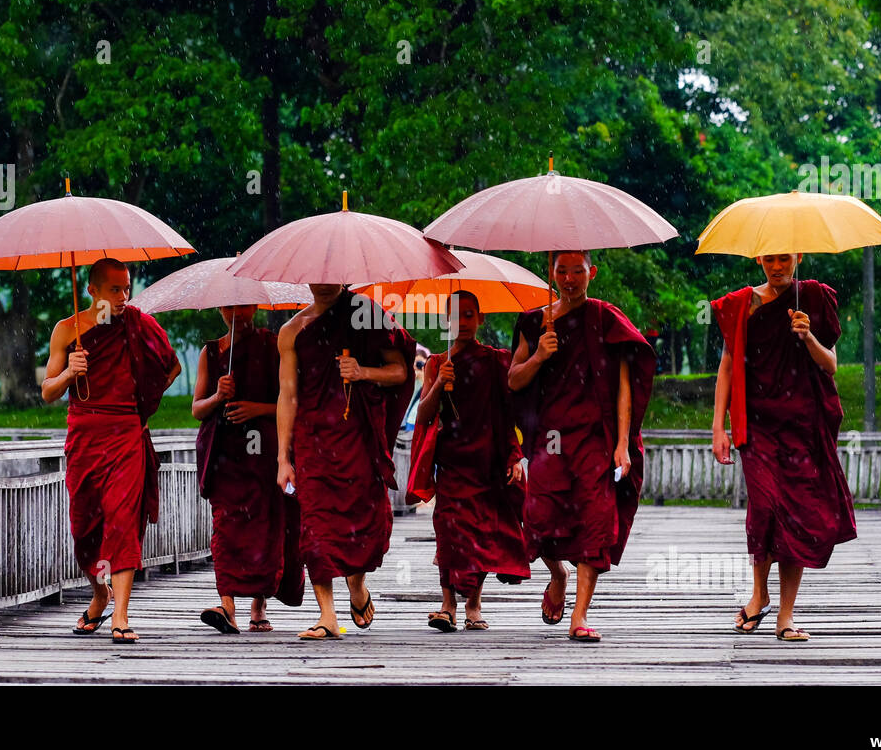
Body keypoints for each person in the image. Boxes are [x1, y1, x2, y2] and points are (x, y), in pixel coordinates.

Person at [508, 251, 655, 642]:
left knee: (596, 518)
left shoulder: (606, 319)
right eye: (561, 270)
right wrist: (540, 354)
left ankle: (580, 613)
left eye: (577, 271)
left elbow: (624, 387)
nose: (570, 279)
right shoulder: (534, 321)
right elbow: (514, 381)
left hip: (595, 437)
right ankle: (558, 573)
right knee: (538, 516)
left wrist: (623, 444)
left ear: (592, 272)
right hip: (552, 437)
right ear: (551, 273)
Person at [711, 253, 856, 642]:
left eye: (785, 259)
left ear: (799, 257)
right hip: (757, 426)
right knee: (765, 507)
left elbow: (830, 365)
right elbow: (727, 365)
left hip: (803, 426)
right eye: (770, 260)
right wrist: (718, 427)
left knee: (794, 516)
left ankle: (786, 616)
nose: (778, 267)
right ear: (759, 259)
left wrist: (808, 336)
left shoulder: (813, 297)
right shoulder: (741, 304)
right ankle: (760, 592)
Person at [41, 258, 180, 644]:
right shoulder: (67, 330)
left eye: (126, 288)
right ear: (93, 291)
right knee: (85, 528)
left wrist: (143, 407)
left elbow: (172, 368)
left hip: (126, 435)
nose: (123, 297)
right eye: (114, 290)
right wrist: (69, 372)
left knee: (122, 520)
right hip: (85, 436)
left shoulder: (137, 323)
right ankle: (100, 593)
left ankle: (121, 614)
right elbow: (48, 391)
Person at [276, 285, 414, 640]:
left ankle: (357, 585)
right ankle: (327, 614)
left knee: (363, 522)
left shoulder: (364, 313)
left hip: (359, 437)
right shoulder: (292, 330)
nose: (323, 281)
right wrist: (282, 457)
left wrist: (363, 372)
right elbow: (287, 395)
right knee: (315, 526)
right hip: (313, 441)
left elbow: (399, 371)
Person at [408, 290, 528, 632]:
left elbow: (507, 414)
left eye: (469, 315)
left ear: (481, 319)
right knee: (448, 530)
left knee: (480, 533)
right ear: (446, 321)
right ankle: (447, 604)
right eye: (455, 315)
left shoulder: (494, 361)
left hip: (487, 461)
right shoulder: (435, 363)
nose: (462, 322)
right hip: (452, 461)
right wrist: (438, 385)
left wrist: (514, 455)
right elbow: (425, 416)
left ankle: (473, 604)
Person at [193, 304, 303, 634]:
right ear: (219, 308)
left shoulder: (273, 345)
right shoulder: (210, 352)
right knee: (226, 526)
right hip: (225, 454)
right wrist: (217, 397)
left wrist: (256, 408)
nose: (237, 313)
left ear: (255, 306)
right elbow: (197, 409)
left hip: (265, 450)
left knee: (267, 525)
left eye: (243, 306)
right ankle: (227, 605)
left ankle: (258, 605)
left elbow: (293, 399)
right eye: (229, 307)